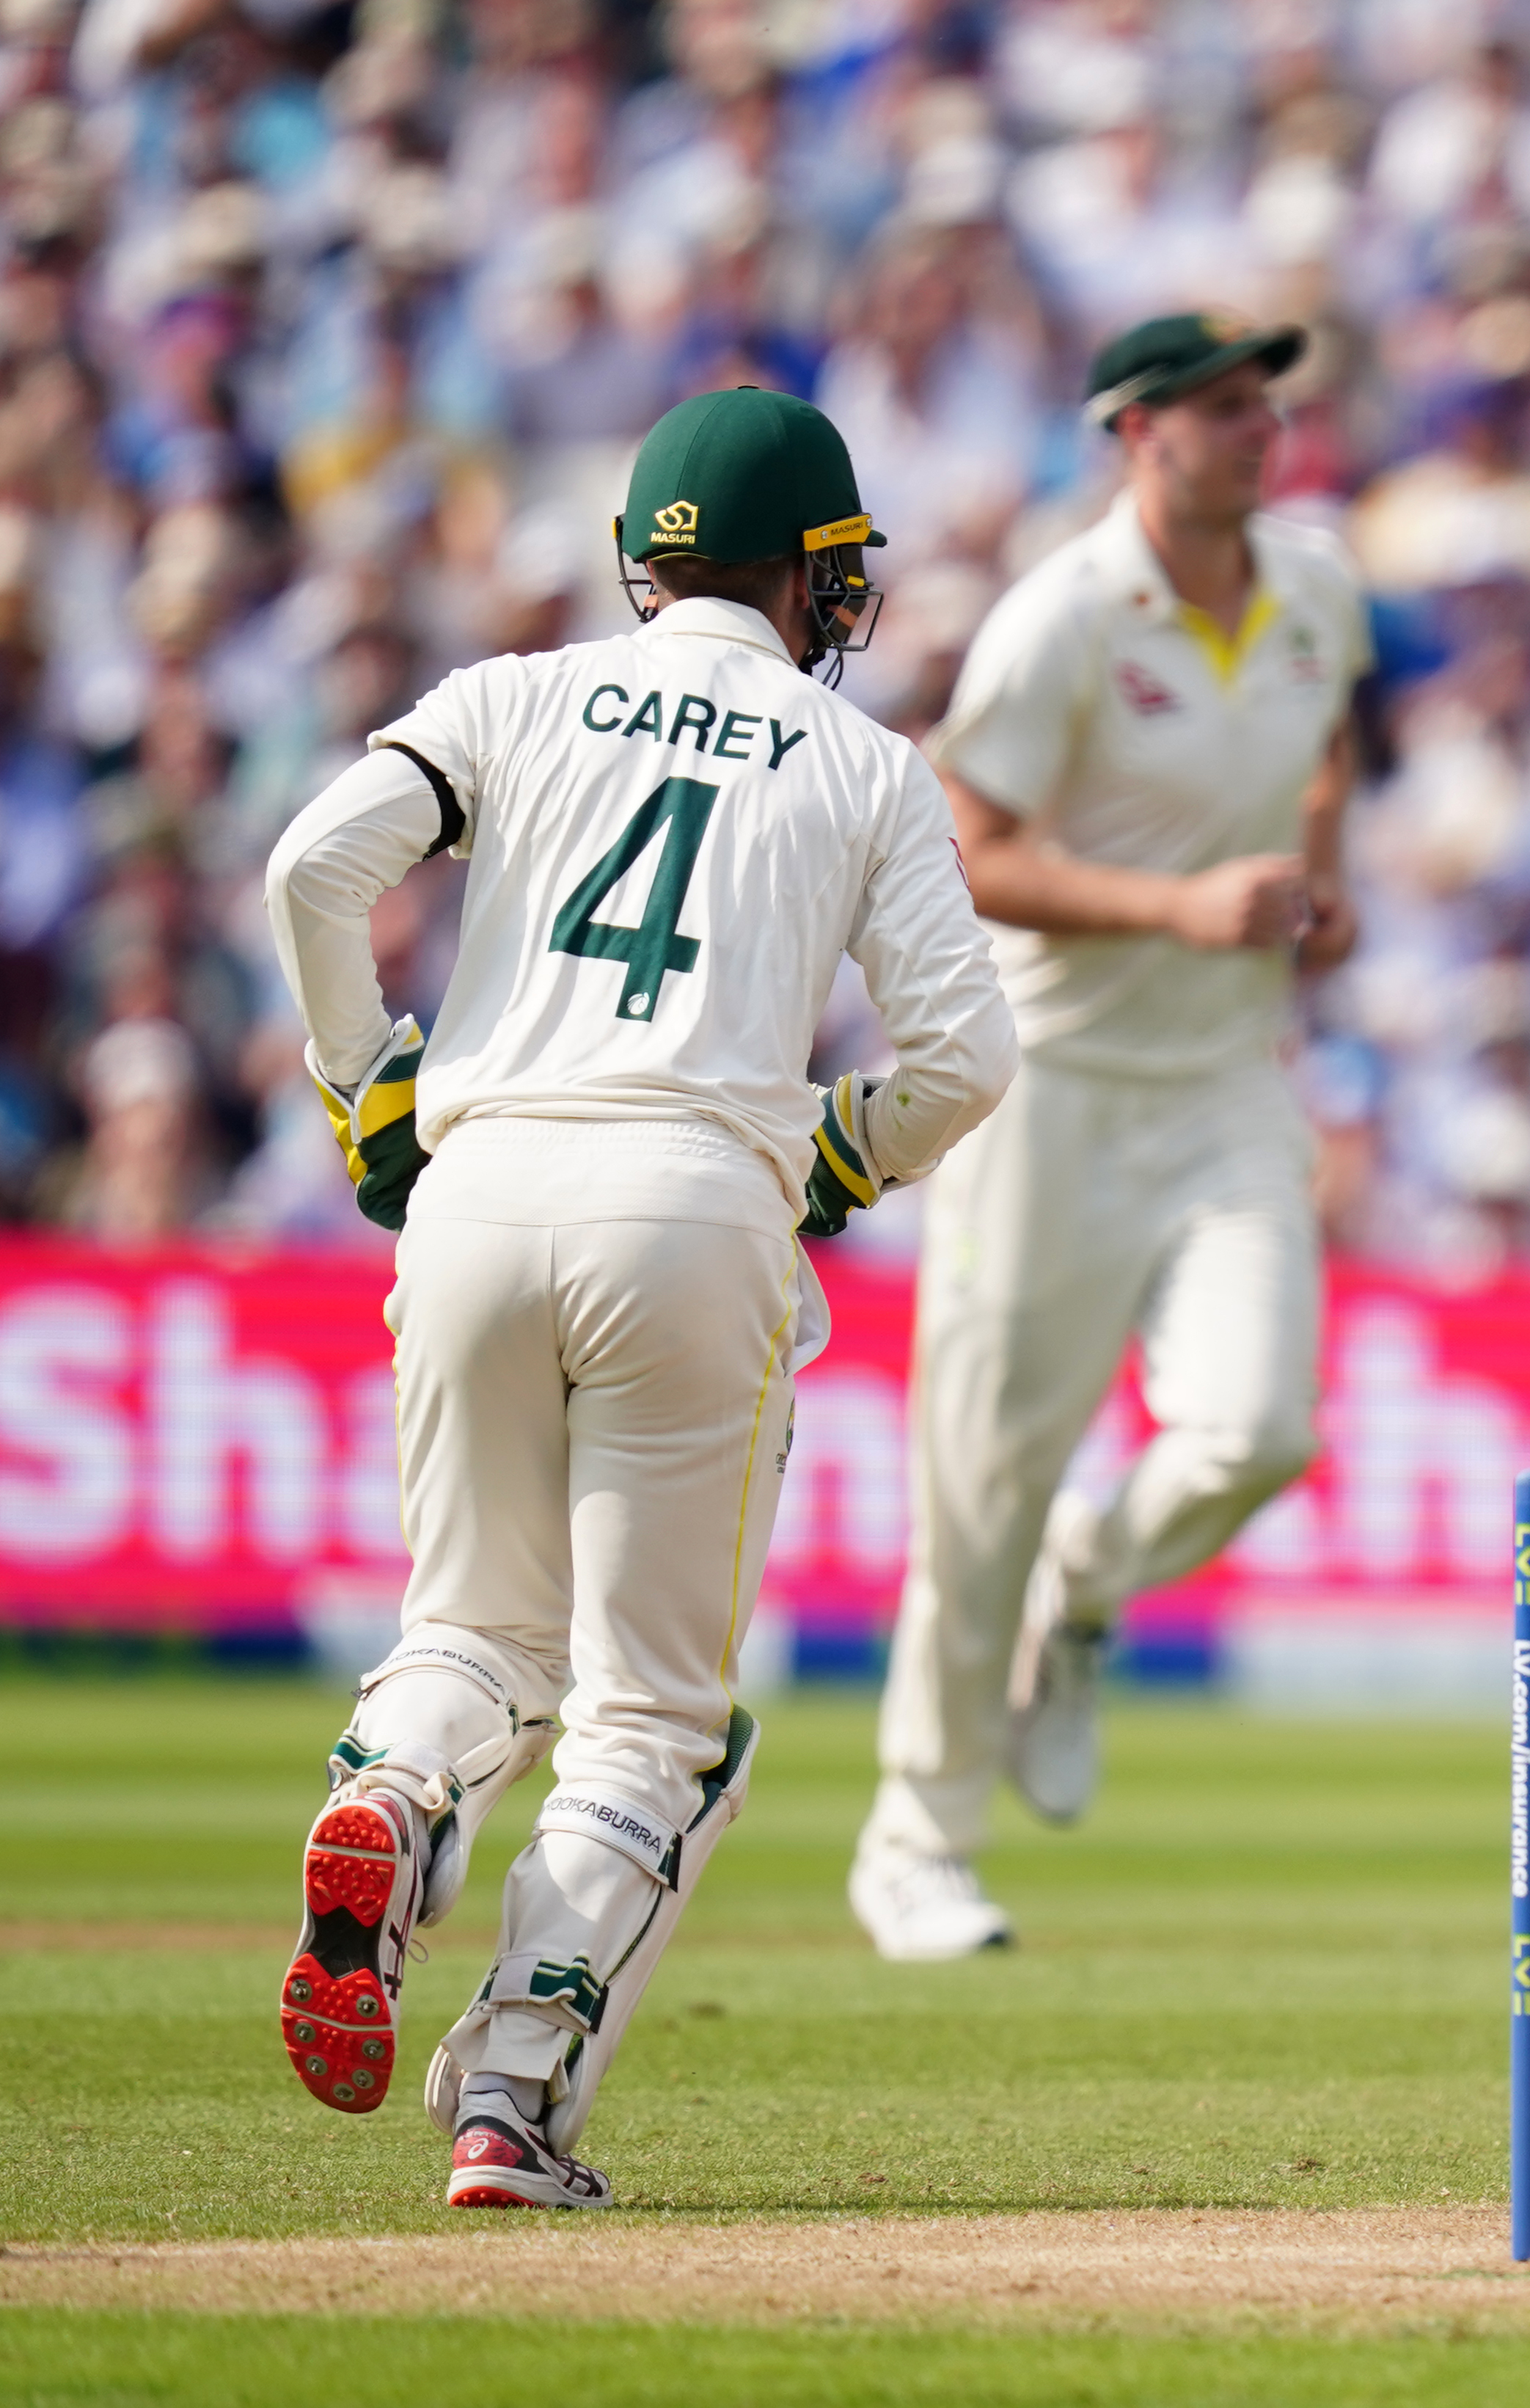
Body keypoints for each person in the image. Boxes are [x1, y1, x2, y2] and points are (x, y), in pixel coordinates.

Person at [266, 388, 1016, 2208]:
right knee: (661, 1719)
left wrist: (362, 1081)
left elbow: (311, 865)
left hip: (476, 1191)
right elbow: (967, 1059)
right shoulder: (860, 765)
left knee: (473, 1639)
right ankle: (512, 2103)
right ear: (815, 574)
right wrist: (839, 1157)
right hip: (694, 1212)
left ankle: (396, 1797)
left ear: (640, 560)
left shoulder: (515, 693)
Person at [849, 313, 1369, 1960]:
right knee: (980, 1480)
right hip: (1051, 1087)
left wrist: (1315, 883)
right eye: (1219, 412)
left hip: (1225, 1088)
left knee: (1258, 1430)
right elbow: (960, 841)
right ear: (1135, 433)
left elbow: (1326, 752)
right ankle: (916, 1846)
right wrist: (1179, 905)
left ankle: (1087, 1586)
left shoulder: (1317, 588)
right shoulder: (1061, 619)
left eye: (1264, 407)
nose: (1254, 434)